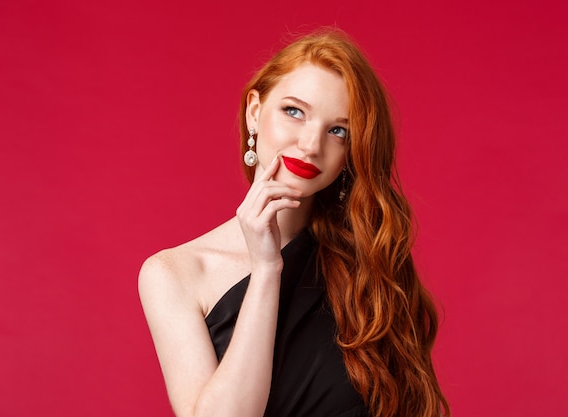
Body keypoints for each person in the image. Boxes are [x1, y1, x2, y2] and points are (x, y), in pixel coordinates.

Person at [139, 28, 450, 417]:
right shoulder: (173, 273)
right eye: (294, 112)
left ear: (351, 152)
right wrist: (267, 269)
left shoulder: (371, 262)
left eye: (338, 130)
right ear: (255, 112)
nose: (310, 144)